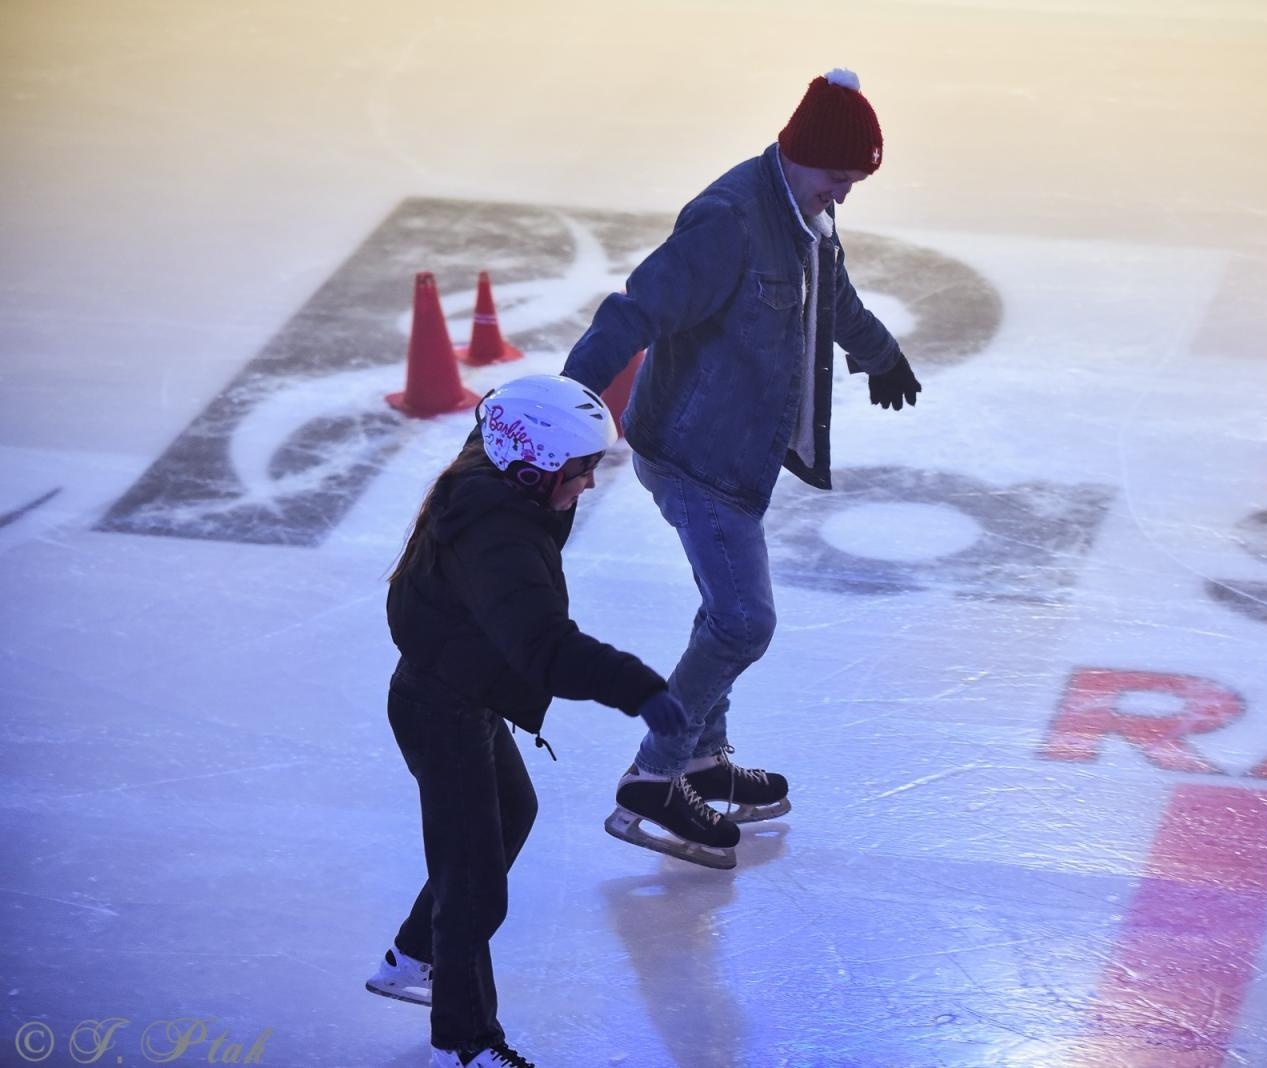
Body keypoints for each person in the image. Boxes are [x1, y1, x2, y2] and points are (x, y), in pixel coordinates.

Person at [560, 69, 922, 869]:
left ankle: (698, 757)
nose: (846, 194)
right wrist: (569, 400)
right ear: (801, 156)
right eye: (839, 177)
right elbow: (635, 310)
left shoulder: (808, 216)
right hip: (694, 455)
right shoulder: (729, 221)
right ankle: (656, 773)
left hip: (738, 455)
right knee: (742, 620)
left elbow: (835, 304)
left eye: (856, 182)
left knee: (722, 613)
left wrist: (881, 356)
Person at [366, 374, 731, 1068]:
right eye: (580, 471)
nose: (588, 486)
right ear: (533, 468)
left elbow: (512, 414)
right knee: (472, 882)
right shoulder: (497, 538)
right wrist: (642, 690)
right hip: (439, 706)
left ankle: (412, 956)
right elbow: (544, 647)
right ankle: (465, 1043)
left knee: (512, 812)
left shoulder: (502, 470)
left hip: (461, 692)